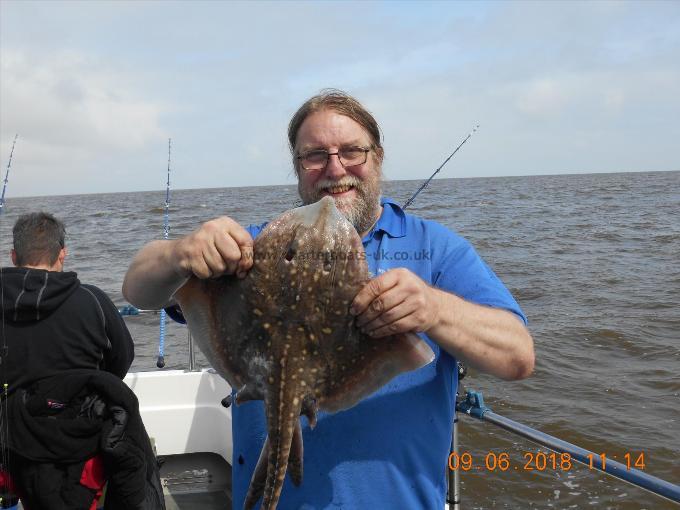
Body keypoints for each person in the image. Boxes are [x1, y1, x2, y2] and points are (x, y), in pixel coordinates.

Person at [123, 89, 535, 509]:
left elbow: (518, 357)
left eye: (352, 151)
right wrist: (180, 253)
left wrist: (432, 308)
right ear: (298, 167)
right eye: (315, 155)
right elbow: (137, 288)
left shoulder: (435, 249)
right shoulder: (256, 246)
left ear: (377, 156)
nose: (335, 169)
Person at [0, 212, 164, 509]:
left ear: (13, 256)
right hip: (82, 450)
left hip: (12, 452)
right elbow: (120, 362)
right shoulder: (93, 301)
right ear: (62, 254)